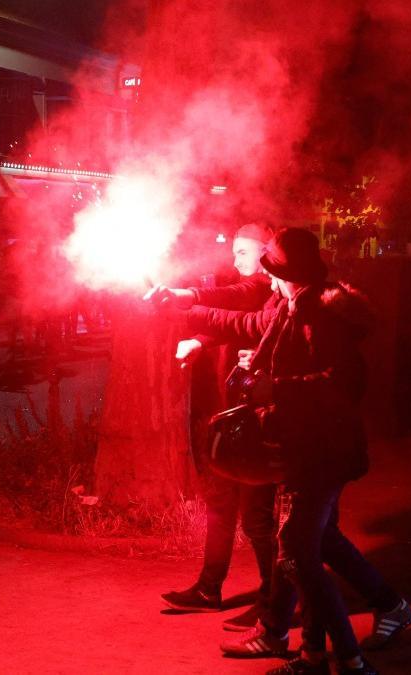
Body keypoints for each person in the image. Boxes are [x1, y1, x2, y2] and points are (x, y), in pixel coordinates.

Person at [185, 229, 383, 674]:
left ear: (286, 275)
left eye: (272, 273)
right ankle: (315, 654)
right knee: (306, 550)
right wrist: (187, 305)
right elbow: (247, 325)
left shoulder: (319, 313)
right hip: (302, 446)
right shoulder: (292, 306)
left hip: (323, 451)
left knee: (296, 553)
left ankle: (352, 660)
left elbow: (344, 382)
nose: (267, 282)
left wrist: (279, 387)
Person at [157, 223, 279, 631]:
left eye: (244, 251)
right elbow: (231, 320)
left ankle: (274, 600)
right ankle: (210, 588)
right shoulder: (256, 289)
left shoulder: (266, 288)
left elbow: (236, 304)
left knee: (258, 518)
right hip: (231, 420)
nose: (236, 258)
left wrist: (188, 298)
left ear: (267, 252)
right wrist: (200, 340)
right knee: (221, 504)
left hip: (258, 422)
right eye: (235, 251)